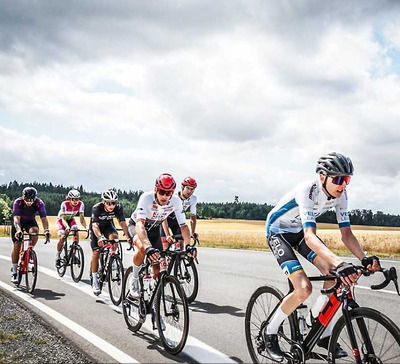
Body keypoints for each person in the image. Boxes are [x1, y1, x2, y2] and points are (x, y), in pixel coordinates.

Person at [264, 152, 381, 361]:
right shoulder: (307, 191)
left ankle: (320, 329)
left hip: (299, 232)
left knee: (333, 276)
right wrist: (339, 262)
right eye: (337, 179)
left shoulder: (341, 195)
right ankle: (269, 333)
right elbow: (310, 236)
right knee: (304, 288)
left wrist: (364, 258)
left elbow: (346, 234)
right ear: (322, 177)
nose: (343, 184)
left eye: (347, 180)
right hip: (278, 232)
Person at [127, 173, 195, 299]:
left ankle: (154, 305)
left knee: (158, 268)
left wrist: (188, 245)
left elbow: (184, 226)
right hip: (138, 226)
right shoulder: (146, 198)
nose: (164, 196)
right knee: (142, 248)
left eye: (168, 193)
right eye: (162, 191)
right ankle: (134, 278)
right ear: (155, 189)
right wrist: (148, 247)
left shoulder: (175, 201)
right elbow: (140, 225)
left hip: (154, 229)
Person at [89, 188, 130, 295]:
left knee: (114, 237)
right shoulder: (97, 208)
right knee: (96, 252)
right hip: (96, 229)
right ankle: (95, 281)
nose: (111, 205)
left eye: (113, 203)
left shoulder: (118, 208)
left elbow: (122, 222)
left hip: (108, 227)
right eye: (109, 203)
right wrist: (99, 237)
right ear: (103, 201)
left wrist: (128, 236)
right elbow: (94, 225)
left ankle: (111, 257)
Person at [11, 187, 51, 283]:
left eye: (31, 200)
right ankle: (14, 271)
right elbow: (16, 218)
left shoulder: (39, 203)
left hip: (30, 222)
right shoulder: (18, 202)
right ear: (23, 197)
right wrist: (18, 230)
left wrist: (46, 230)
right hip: (19, 223)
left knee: (35, 231)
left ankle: (30, 250)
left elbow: (44, 218)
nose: (29, 202)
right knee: (17, 245)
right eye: (27, 200)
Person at [162, 176, 199, 249]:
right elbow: (164, 216)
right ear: (182, 187)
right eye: (188, 188)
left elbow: (193, 217)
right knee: (165, 245)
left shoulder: (193, 199)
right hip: (165, 218)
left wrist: (192, 232)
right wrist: (168, 234)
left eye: (192, 189)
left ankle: (177, 260)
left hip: (177, 220)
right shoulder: (172, 197)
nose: (190, 191)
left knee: (181, 243)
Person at [55, 189, 87, 268]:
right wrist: (66, 227)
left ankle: (74, 252)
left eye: (77, 199)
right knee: (63, 237)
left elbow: (82, 219)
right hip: (62, 220)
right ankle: (58, 256)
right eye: (73, 199)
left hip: (71, 219)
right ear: (69, 199)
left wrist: (87, 227)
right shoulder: (64, 204)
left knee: (76, 230)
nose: (76, 201)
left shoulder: (81, 204)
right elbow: (62, 219)